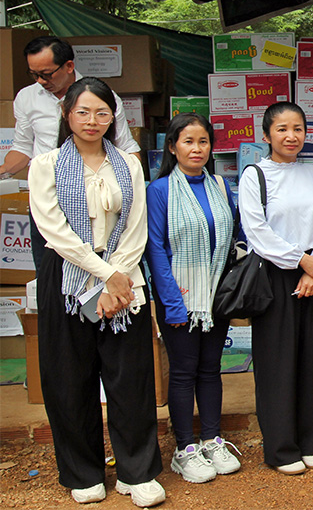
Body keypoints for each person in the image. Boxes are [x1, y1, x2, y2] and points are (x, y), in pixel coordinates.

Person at [27, 77, 164, 507]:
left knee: (131, 378)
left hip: (123, 278)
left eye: (102, 113)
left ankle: (136, 471)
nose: (92, 121)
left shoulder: (128, 163)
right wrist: (105, 274)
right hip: (68, 279)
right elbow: (54, 231)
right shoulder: (45, 164)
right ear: (67, 114)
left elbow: (137, 225)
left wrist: (118, 277)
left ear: (114, 117)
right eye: (83, 112)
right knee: (70, 379)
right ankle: (83, 471)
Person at [145, 113, 242, 482]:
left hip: (216, 296)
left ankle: (212, 439)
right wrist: (171, 302)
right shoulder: (161, 190)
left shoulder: (219, 185)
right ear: (172, 147)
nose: (196, 149)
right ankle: (185, 448)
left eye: (203, 141)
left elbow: (233, 235)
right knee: (184, 372)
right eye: (188, 141)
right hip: (181, 298)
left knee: (210, 369)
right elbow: (155, 248)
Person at [240, 102, 313, 474]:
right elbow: (256, 232)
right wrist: (300, 261)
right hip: (276, 275)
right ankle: (281, 448)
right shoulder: (255, 175)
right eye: (281, 129)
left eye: (298, 128)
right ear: (266, 136)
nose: (291, 136)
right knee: (277, 362)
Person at [4, 36, 139, 272]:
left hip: (97, 199)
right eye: (33, 74)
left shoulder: (102, 97)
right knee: (51, 273)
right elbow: (22, 147)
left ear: (69, 66)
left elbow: (127, 148)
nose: (40, 81)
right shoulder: (27, 98)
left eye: (46, 74)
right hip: (49, 198)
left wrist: (136, 195)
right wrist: (4, 172)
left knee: (103, 267)